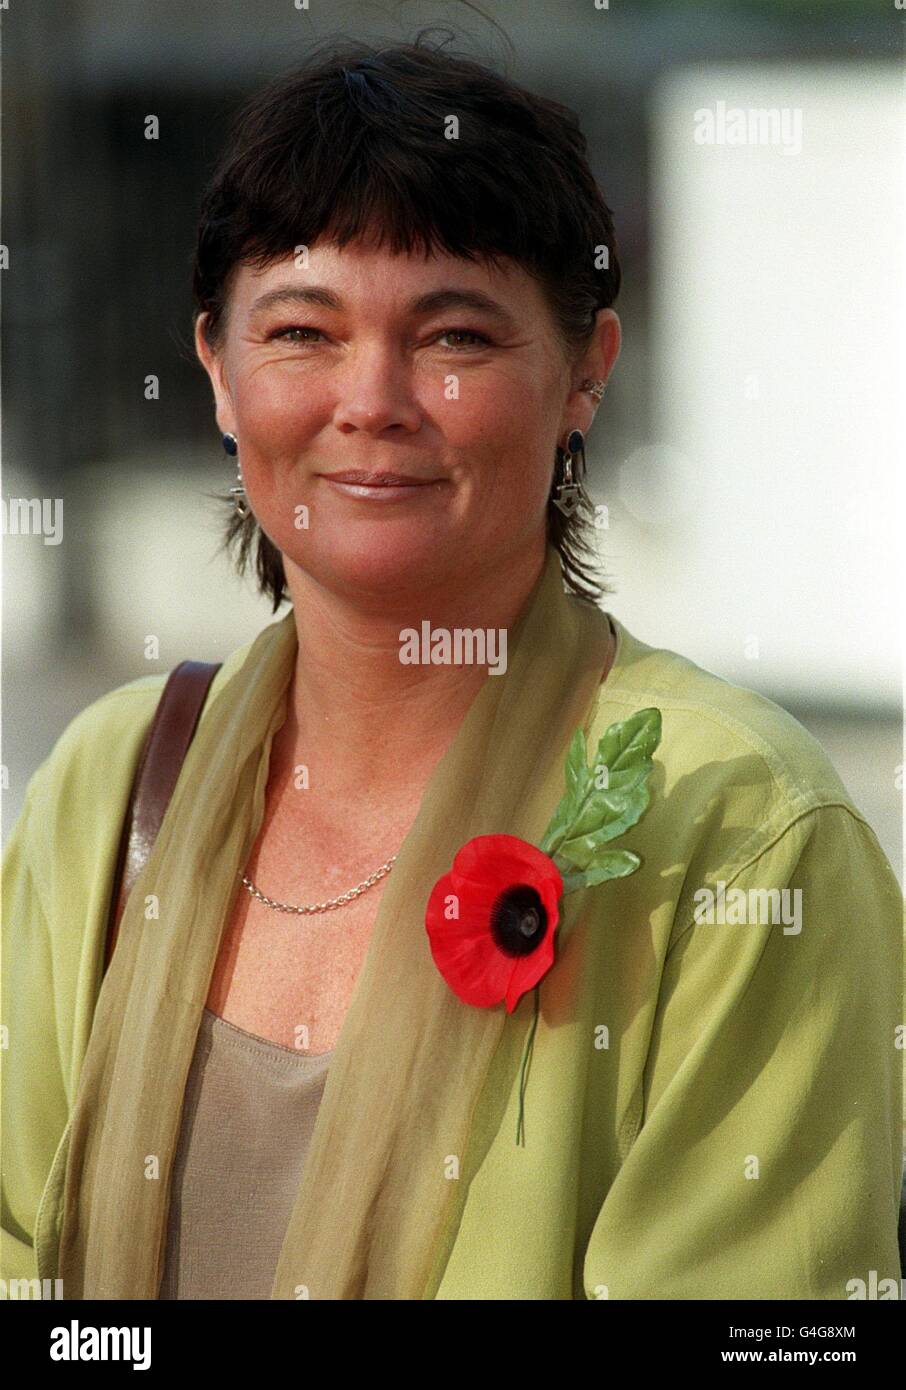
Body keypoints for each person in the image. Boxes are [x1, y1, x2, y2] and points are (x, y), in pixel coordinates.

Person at [2, 38, 901, 1302]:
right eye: (303, 330)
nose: (372, 400)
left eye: (456, 335)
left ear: (587, 369)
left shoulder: (736, 830)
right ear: (215, 365)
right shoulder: (110, 788)